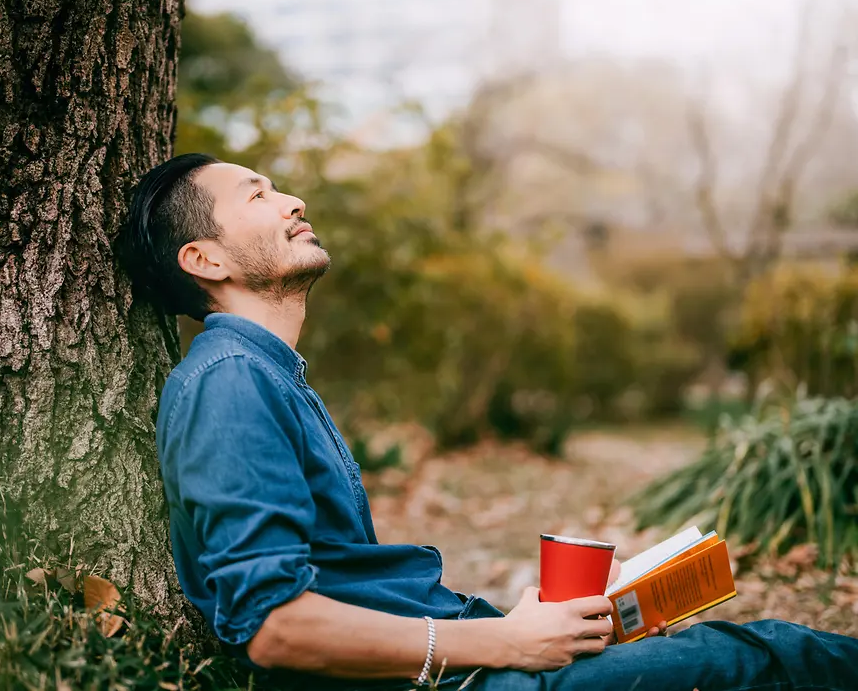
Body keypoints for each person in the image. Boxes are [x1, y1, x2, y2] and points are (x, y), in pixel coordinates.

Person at [121, 153, 858, 691]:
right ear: (203, 258)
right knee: (764, 660)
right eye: (257, 195)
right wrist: (501, 641)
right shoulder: (230, 383)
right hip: (459, 682)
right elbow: (274, 627)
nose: (291, 199)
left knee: (727, 653)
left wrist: (537, 631)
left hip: (467, 662)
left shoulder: (265, 373)